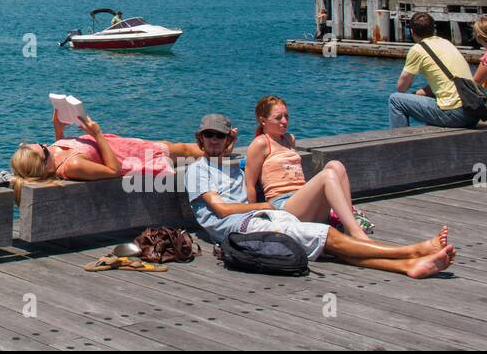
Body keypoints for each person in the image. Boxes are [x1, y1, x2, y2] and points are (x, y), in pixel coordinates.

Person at [187, 114, 455, 278]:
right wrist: (265, 204)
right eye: (208, 135)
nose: (214, 140)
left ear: (227, 140)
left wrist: (232, 144)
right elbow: (220, 209)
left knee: (328, 249)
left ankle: (408, 267)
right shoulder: (197, 170)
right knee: (328, 237)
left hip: (262, 219)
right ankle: (413, 250)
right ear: (200, 138)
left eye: (219, 136)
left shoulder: (230, 163)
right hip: (244, 227)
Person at [10, 107, 204, 202]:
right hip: (129, 155)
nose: (46, 145)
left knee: (176, 147)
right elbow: (113, 170)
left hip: (121, 146)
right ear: (44, 166)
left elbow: (60, 151)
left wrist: (58, 129)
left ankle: (217, 148)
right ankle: (220, 151)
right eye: (43, 149)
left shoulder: (55, 158)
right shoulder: (74, 166)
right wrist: (96, 133)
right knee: (182, 150)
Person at [245, 95, 371, 240]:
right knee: (327, 175)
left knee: (336, 165)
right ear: (263, 120)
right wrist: (252, 218)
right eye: (278, 118)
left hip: (303, 201)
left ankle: (349, 226)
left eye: (286, 116)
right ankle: (357, 234)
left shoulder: (289, 139)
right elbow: (250, 184)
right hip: (283, 206)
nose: (284, 121)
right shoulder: (261, 143)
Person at [388, 12, 480, 128]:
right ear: (433, 29)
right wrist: (420, 93)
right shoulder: (447, 43)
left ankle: (399, 144)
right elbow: (448, 83)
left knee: (395, 100)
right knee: (429, 98)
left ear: (412, 31)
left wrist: (414, 92)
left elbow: (401, 87)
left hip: (455, 114)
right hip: (472, 112)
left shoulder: (417, 49)